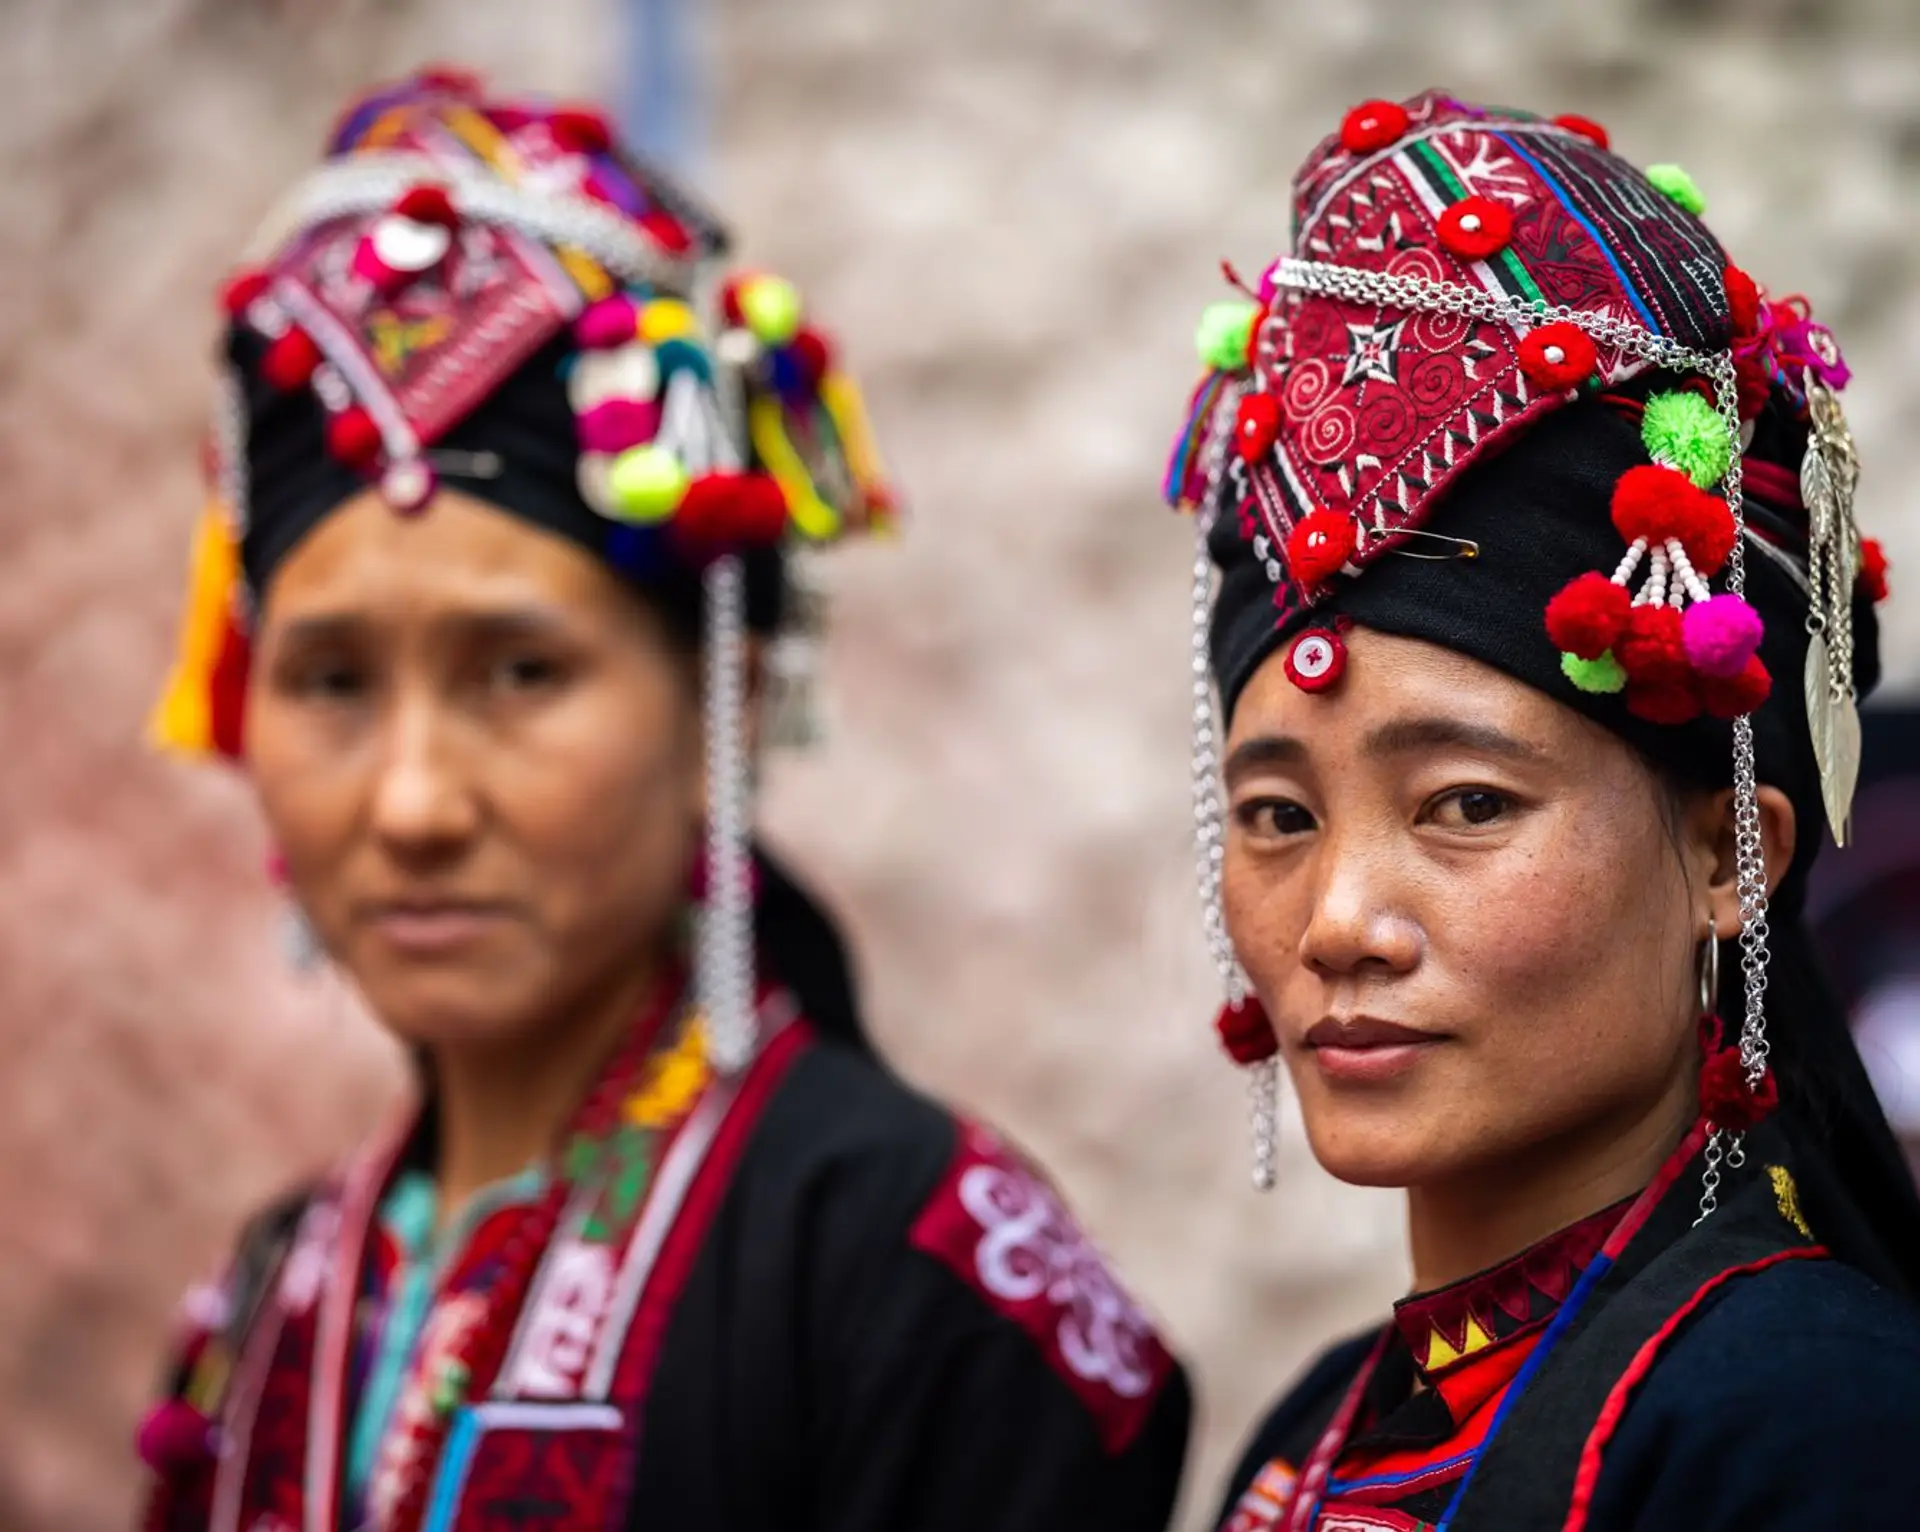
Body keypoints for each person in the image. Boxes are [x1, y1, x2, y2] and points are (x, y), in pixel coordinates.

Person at [136, 67, 1190, 1532]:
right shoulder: (274, 1295)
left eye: (518, 671)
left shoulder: (920, 1276)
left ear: (728, 703)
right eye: (329, 685)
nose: (416, 802)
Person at [1160, 89, 1920, 1530]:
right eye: (1276, 816)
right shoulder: (1316, 1430)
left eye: (1461, 802)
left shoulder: (1819, 1430)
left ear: (1727, 850)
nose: (1339, 924)